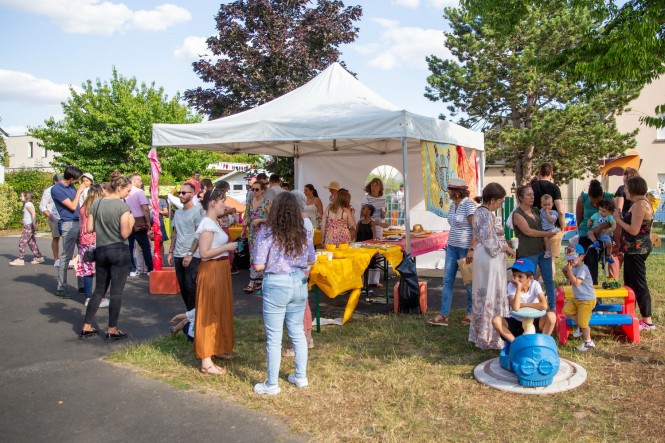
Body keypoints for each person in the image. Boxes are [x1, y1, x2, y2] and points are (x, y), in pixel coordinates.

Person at [253, 192, 316, 395]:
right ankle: (300, 377)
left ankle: (272, 384)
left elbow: (259, 264)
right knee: (297, 332)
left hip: (276, 283)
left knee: (274, 336)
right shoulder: (303, 233)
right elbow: (311, 260)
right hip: (298, 281)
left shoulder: (267, 233)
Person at [79, 173, 134, 341]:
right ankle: (112, 329)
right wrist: (131, 222)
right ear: (119, 188)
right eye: (128, 190)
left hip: (101, 250)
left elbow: (89, 228)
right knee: (116, 292)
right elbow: (124, 233)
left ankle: (86, 326)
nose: (129, 194)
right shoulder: (122, 207)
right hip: (118, 251)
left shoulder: (97, 203)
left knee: (99, 290)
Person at [194, 188, 238, 375]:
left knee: (219, 308)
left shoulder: (213, 222)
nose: (225, 206)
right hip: (212, 270)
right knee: (209, 311)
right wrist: (226, 247)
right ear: (212, 203)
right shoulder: (207, 224)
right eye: (222, 202)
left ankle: (217, 347)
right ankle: (206, 360)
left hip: (219, 269)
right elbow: (204, 253)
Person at [469, 183, 515, 350]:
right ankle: (490, 336)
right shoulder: (486, 215)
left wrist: (504, 243)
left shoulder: (480, 213)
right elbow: (490, 242)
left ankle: (483, 332)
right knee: (491, 292)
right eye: (501, 201)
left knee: (484, 293)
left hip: (484, 255)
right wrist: (506, 247)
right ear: (493, 200)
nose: (501, 204)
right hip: (489, 257)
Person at [428, 177, 476, 326]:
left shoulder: (469, 205)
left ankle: (471, 313)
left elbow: (475, 229)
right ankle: (444, 314)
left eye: (449, 190)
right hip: (452, 247)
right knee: (447, 280)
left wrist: (471, 249)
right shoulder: (452, 205)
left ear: (457, 191)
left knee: (469, 282)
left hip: (465, 248)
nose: (447, 192)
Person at [614, 176, 656, 330]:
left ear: (632, 189)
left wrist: (618, 219)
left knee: (639, 283)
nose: (624, 190)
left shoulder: (641, 205)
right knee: (629, 283)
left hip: (638, 250)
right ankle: (629, 315)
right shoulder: (636, 204)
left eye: (626, 188)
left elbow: (634, 230)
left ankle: (647, 320)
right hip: (631, 250)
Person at [512, 185, 556, 309]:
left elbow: (548, 221)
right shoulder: (517, 214)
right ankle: (527, 306)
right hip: (528, 251)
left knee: (548, 279)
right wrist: (547, 234)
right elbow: (528, 232)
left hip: (543, 250)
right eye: (528, 195)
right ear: (520, 197)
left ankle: (552, 307)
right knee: (527, 281)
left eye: (532, 194)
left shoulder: (537, 210)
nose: (532, 197)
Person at [491, 259, 556, 342]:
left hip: (534, 320)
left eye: (520, 276)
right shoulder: (511, 285)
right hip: (516, 321)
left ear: (530, 278)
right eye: (514, 275)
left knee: (551, 316)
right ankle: (515, 343)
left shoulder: (535, 284)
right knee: (496, 320)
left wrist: (524, 305)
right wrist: (518, 287)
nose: (516, 279)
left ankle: (541, 342)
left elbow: (544, 305)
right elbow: (516, 308)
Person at [52, 166, 87, 298]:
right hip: (68, 223)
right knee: (66, 257)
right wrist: (79, 192)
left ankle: (82, 285)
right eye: (77, 179)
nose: (78, 182)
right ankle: (61, 289)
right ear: (71, 179)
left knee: (83, 254)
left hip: (78, 222)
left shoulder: (71, 187)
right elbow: (72, 206)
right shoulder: (56, 189)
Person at [167, 182, 202, 311]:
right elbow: (175, 233)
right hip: (178, 254)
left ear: (192, 194)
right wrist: (171, 251)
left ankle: (195, 315)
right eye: (179, 193)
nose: (180, 195)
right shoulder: (178, 213)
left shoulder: (197, 212)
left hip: (192, 255)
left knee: (191, 286)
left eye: (183, 193)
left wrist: (190, 254)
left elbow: (199, 234)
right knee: (183, 286)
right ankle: (190, 313)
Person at [575, 179, 615, 284]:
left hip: (603, 234)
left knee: (599, 253)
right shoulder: (582, 199)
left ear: (602, 196)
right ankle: (590, 286)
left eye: (598, 202)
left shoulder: (610, 199)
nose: (595, 205)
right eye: (592, 202)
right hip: (587, 233)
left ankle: (593, 288)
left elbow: (613, 220)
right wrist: (584, 233)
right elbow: (579, 219)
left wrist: (601, 227)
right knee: (589, 258)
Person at [76, 185, 110, 308]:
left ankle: (88, 296)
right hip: (98, 240)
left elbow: (81, 224)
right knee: (102, 269)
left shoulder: (83, 208)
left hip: (84, 241)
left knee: (87, 270)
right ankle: (100, 296)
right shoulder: (98, 207)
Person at [561, 244, 597, 351]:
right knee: (566, 310)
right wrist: (565, 271)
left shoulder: (583, 269)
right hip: (577, 298)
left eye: (572, 259)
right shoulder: (575, 267)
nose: (570, 261)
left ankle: (588, 342)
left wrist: (570, 271)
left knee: (583, 323)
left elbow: (576, 283)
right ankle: (581, 327)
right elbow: (570, 279)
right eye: (568, 259)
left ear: (581, 256)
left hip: (586, 300)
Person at [242, 180, 270, 293]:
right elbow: (247, 216)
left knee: (262, 255)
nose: (254, 191)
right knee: (252, 255)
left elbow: (272, 218)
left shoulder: (267, 202)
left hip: (263, 232)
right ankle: (253, 280)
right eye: (252, 189)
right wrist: (244, 229)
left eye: (257, 189)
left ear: (263, 190)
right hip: (253, 232)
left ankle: (260, 280)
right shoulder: (250, 200)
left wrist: (260, 220)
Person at [125, 174, 153, 277]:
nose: (141, 182)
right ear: (134, 181)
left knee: (129, 247)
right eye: (139, 180)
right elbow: (145, 208)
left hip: (127, 220)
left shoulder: (125, 192)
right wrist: (148, 221)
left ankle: (132, 269)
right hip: (139, 221)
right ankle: (150, 268)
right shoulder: (139, 192)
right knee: (145, 246)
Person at [9, 191, 44, 266]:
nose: (20, 197)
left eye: (21, 196)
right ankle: (39, 257)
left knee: (22, 242)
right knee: (31, 243)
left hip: (29, 226)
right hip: (29, 225)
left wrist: (34, 224)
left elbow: (33, 213)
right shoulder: (28, 204)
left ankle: (20, 259)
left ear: (26, 197)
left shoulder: (28, 204)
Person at [39, 174, 61, 265]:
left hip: (66, 217)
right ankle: (56, 259)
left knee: (69, 239)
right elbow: (42, 206)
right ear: (55, 181)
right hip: (55, 217)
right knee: (56, 238)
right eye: (61, 181)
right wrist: (51, 216)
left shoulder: (67, 189)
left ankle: (70, 259)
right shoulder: (48, 191)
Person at [539, 194, 560, 259]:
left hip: (551, 229)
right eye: (545, 205)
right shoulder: (541, 211)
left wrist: (548, 214)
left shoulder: (553, 212)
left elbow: (552, 220)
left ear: (552, 204)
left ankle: (548, 251)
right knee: (542, 238)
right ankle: (544, 250)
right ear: (541, 205)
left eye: (549, 204)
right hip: (544, 229)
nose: (547, 207)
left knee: (545, 237)